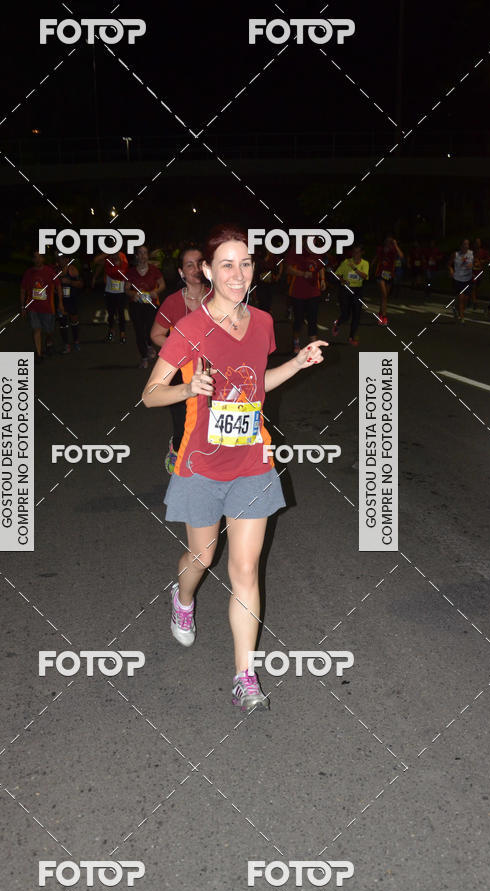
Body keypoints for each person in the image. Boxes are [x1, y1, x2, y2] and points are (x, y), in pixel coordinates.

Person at [142, 224, 328, 713]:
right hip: (200, 464)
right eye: (226, 264)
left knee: (245, 569)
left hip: (251, 461)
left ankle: (245, 676)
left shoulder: (263, 322)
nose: (238, 273)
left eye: (245, 263)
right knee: (202, 557)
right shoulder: (190, 328)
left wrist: (297, 363)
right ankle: (183, 599)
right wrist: (189, 389)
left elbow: (256, 384)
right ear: (207, 270)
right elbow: (150, 394)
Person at [150, 246, 208, 474]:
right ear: (181, 272)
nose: (195, 269)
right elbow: (156, 335)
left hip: (211, 372)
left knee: (208, 420)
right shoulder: (173, 303)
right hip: (179, 373)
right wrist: (181, 351)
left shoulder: (217, 298)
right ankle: (177, 449)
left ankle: (205, 464)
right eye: (189, 265)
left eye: (199, 263)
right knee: (183, 422)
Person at [125, 245, 165, 367]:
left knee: (150, 330)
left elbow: (162, 285)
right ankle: (143, 357)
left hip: (151, 305)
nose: (143, 256)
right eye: (140, 253)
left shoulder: (154, 270)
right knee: (139, 331)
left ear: (148, 256)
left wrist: (156, 292)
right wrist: (133, 294)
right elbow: (126, 288)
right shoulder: (131, 272)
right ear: (136, 256)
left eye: (145, 253)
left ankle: (149, 345)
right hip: (136, 305)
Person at [20, 251, 64, 362]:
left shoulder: (49, 271)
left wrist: (60, 303)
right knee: (36, 329)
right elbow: (23, 290)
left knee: (48, 331)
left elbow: (58, 286)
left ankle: (49, 341)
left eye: (40, 257)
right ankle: (39, 354)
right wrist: (23, 306)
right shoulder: (29, 273)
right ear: (33, 259)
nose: (38, 259)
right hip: (33, 307)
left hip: (47, 308)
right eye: (36, 257)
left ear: (43, 259)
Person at [284, 241, 326, 353]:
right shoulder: (296, 252)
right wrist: (303, 274)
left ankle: (314, 347)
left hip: (314, 292)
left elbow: (320, 267)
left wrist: (322, 279)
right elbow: (288, 269)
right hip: (298, 292)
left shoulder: (317, 253)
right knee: (299, 320)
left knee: (313, 319)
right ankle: (296, 341)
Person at [331, 245, 369, 346]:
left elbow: (364, 276)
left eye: (358, 252)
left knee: (357, 315)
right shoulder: (346, 262)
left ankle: (351, 337)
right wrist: (342, 280)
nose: (356, 254)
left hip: (358, 290)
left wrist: (354, 268)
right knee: (346, 315)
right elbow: (336, 274)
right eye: (354, 252)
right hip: (346, 290)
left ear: (362, 253)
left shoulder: (365, 263)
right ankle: (338, 323)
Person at [372, 236, 404, 325]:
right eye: (387, 241)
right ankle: (384, 317)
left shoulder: (394, 250)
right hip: (380, 274)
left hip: (389, 275)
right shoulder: (380, 249)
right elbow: (376, 257)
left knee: (385, 297)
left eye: (391, 242)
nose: (389, 243)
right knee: (384, 295)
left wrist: (396, 245)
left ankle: (380, 314)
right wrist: (372, 265)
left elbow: (401, 256)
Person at [57, 254, 83, 353]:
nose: (61, 261)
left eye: (63, 259)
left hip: (72, 300)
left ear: (67, 259)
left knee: (74, 322)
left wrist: (70, 282)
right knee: (63, 323)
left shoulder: (72, 270)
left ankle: (76, 342)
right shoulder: (56, 270)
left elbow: (81, 284)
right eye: (59, 259)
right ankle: (66, 345)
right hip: (60, 301)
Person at [448, 239, 473, 323]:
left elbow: (474, 263)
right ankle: (462, 316)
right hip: (458, 279)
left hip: (467, 279)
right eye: (465, 244)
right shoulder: (456, 254)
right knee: (461, 298)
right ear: (461, 245)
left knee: (466, 299)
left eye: (467, 244)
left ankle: (456, 308)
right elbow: (449, 264)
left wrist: (471, 266)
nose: (466, 246)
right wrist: (451, 270)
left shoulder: (471, 254)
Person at [470, 238, 489, 310]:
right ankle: (474, 302)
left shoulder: (483, 251)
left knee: (477, 286)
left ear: (480, 243)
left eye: (479, 242)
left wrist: (481, 261)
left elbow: (488, 259)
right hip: (473, 271)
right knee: (473, 286)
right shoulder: (471, 252)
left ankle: (471, 298)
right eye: (476, 242)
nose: (477, 244)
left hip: (480, 271)